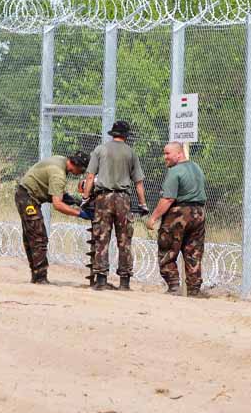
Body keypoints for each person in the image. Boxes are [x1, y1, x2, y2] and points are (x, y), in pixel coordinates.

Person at [83, 120, 147, 291]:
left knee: (102, 238)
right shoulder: (131, 153)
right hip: (123, 200)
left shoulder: (100, 150)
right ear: (126, 136)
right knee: (124, 240)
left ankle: (102, 280)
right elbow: (138, 182)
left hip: (103, 198)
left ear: (112, 134)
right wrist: (143, 204)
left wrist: (85, 197)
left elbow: (90, 176)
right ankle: (125, 282)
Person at [16, 151, 91, 284]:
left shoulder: (60, 160)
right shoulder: (58, 174)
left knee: (31, 235)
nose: (82, 173)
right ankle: (40, 278)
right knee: (38, 237)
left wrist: (75, 201)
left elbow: (56, 191)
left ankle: (36, 275)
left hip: (25, 194)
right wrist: (79, 213)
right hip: (28, 198)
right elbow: (57, 204)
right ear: (77, 165)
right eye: (82, 170)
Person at [146, 142, 207, 297]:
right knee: (193, 252)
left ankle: (173, 286)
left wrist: (153, 218)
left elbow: (168, 198)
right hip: (198, 213)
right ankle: (194, 290)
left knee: (168, 248)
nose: (165, 157)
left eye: (168, 154)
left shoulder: (175, 171)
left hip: (179, 213)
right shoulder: (196, 168)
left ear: (179, 154)